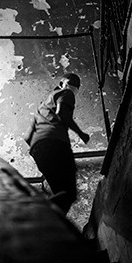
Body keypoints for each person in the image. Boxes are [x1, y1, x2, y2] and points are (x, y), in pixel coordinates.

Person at [24, 72, 90, 214]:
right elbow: (63, 115)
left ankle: (45, 228)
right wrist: (81, 134)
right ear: (64, 85)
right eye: (74, 87)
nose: (72, 91)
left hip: (38, 150)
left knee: (60, 195)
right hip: (55, 143)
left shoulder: (43, 107)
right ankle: (34, 216)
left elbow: (27, 137)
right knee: (69, 194)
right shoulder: (67, 92)